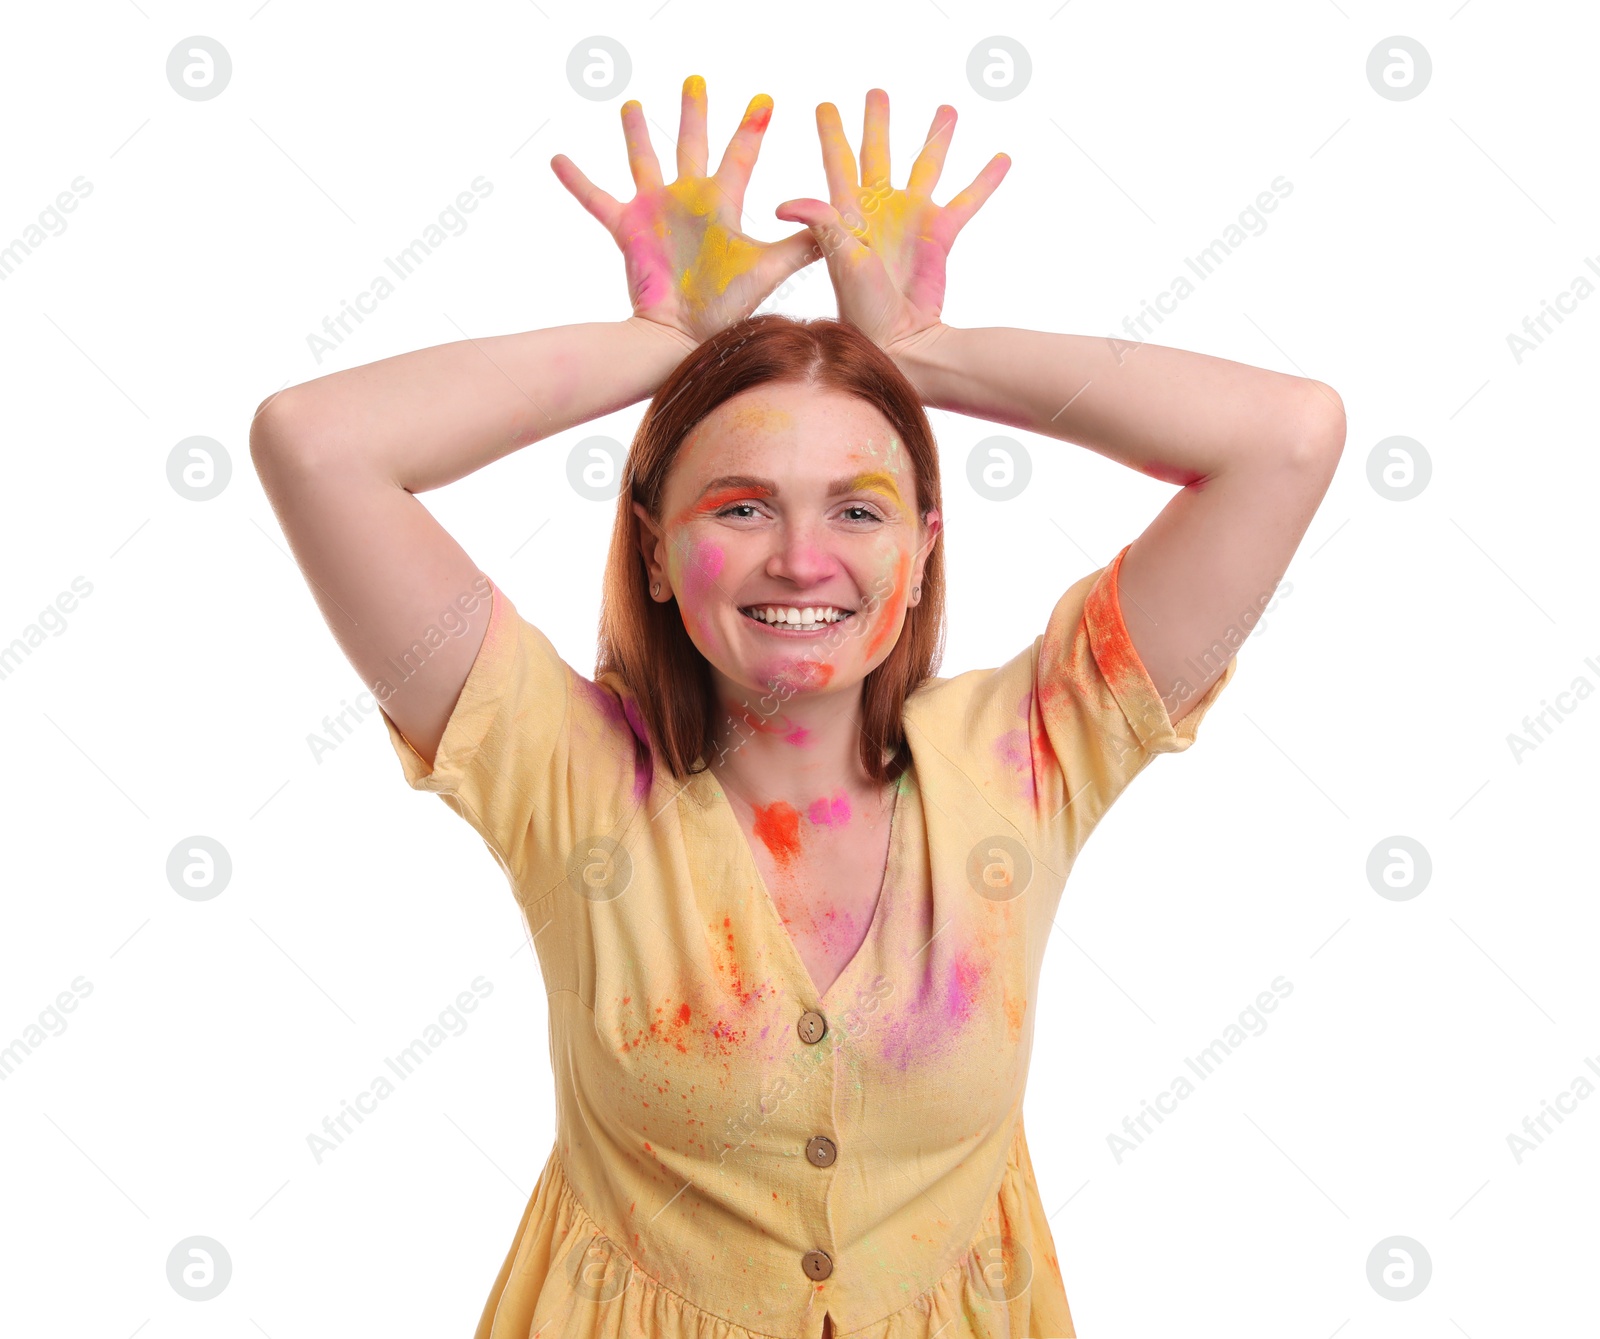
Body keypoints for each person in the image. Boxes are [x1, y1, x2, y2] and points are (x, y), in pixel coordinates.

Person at [251, 76, 1344, 1339]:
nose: (801, 558)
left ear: (924, 550)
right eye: (740, 505)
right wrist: (665, 340)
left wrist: (918, 358)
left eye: (858, 508)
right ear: (655, 550)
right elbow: (315, 445)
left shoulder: (1032, 751)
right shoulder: (559, 769)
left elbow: (1289, 438)